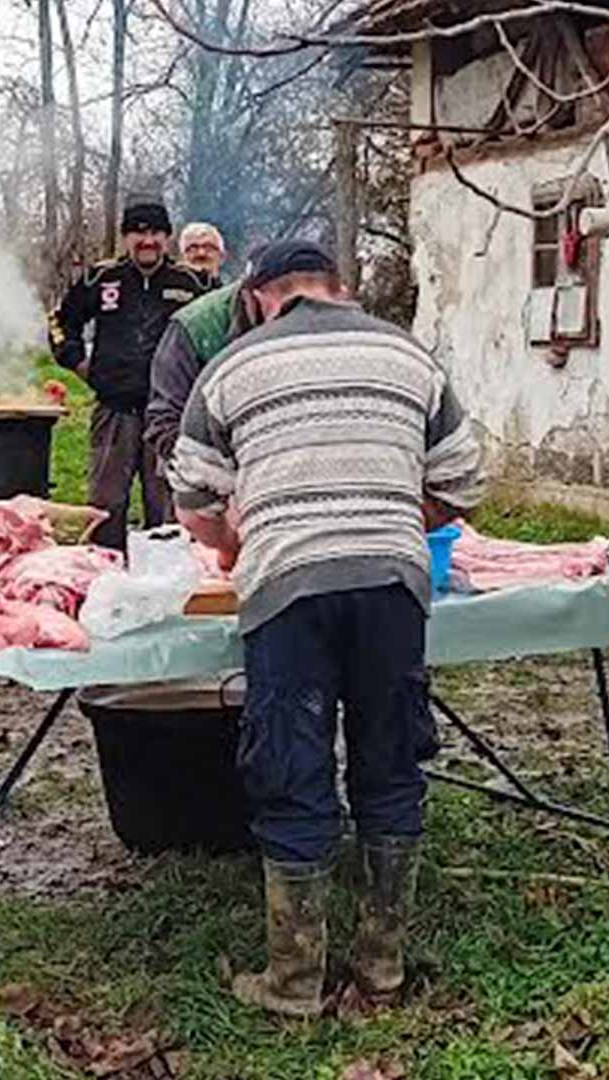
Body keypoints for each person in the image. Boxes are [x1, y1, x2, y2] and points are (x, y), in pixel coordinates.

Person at [168, 240, 486, 1017]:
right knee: (391, 763)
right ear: (341, 289)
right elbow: (463, 481)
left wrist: (236, 538)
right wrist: (389, 517)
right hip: (392, 589)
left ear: (258, 298)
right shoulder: (409, 356)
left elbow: (193, 500)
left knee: (291, 767)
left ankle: (295, 980)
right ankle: (382, 966)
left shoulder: (233, 366)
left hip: (288, 591)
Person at [50, 196, 210, 549]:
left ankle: (166, 575)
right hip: (114, 412)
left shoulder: (194, 284)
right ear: (125, 238)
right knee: (104, 506)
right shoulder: (100, 277)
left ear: (167, 238)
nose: (147, 240)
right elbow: (60, 322)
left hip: (169, 418)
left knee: (169, 509)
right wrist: (79, 364)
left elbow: (221, 331)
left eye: (156, 233)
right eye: (138, 233)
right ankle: (102, 569)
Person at [145, 275, 258, 468]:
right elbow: (165, 417)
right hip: (203, 461)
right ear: (249, 291)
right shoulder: (196, 325)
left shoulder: (309, 317)